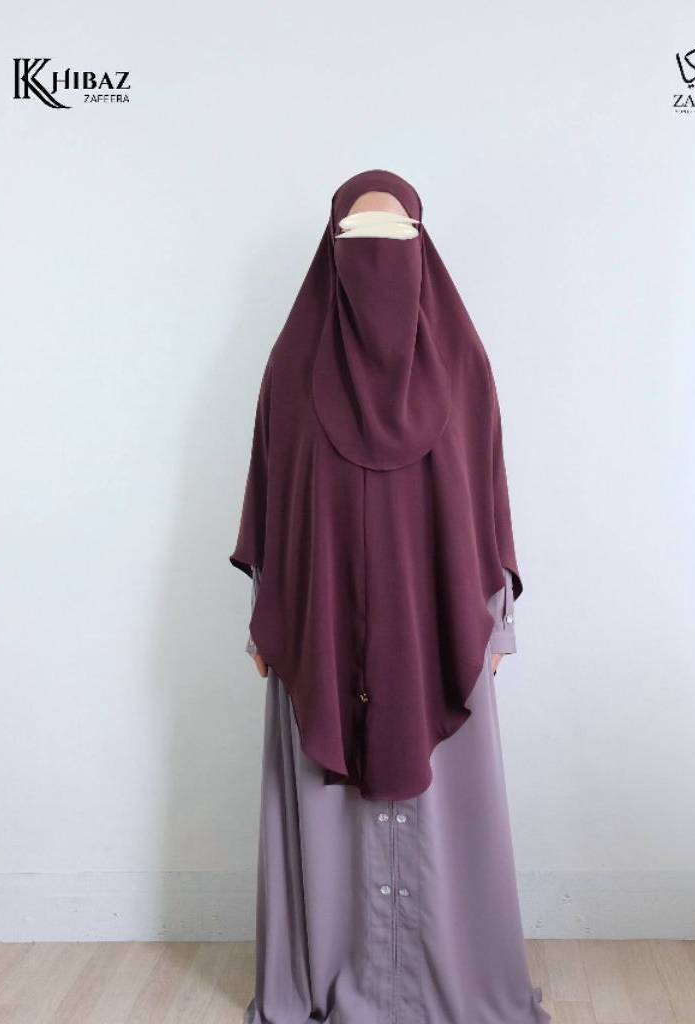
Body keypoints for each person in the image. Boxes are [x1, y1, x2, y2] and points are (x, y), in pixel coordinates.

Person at [230, 169, 549, 1024]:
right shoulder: (292, 368)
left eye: (396, 241)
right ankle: (330, 972)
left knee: (447, 803)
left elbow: (485, 498)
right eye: (358, 243)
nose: (377, 261)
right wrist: (266, 619)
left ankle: (448, 976)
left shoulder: (462, 366)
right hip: (323, 632)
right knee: (325, 796)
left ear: (423, 245)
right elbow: (273, 496)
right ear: (330, 250)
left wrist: (490, 624)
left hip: (435, 632)